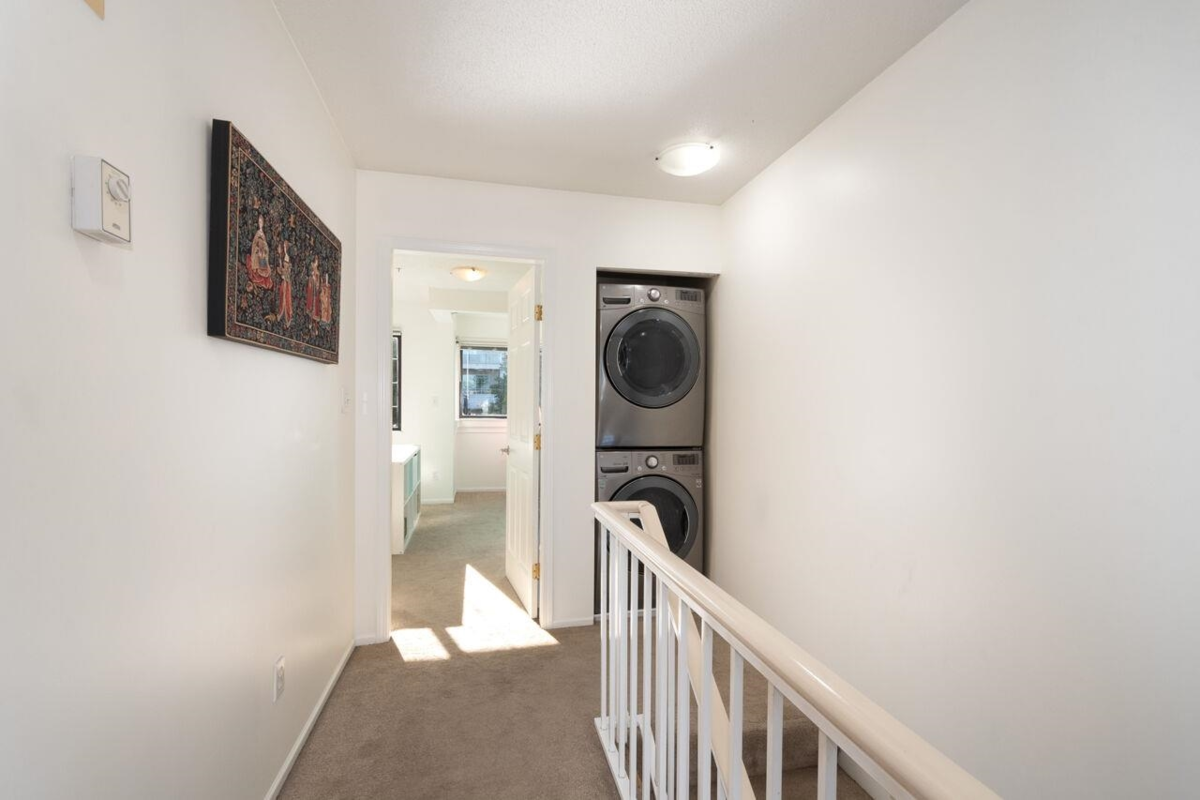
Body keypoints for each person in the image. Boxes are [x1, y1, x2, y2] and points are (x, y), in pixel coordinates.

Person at [245, 214, 273, 290]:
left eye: (261, 222)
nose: (260, 223)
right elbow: (254, 245)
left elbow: (265, 248)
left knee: (264, 270)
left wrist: (263, 252)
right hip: (257, 258)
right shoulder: (258, 234)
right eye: (259, 222)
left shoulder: (262, 236)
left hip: (262, 259)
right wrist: (258, 250)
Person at [276, 241, 294, 327]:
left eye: (285, 246)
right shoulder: (284, 256)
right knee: (282, 294)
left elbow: (287, 272)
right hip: (284, 280)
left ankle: (286, 315)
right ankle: (281, 312)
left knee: (285, 296)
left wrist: (283, 273)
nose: (284, 248)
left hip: (286, 281)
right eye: (283, 246)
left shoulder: (287, 258)